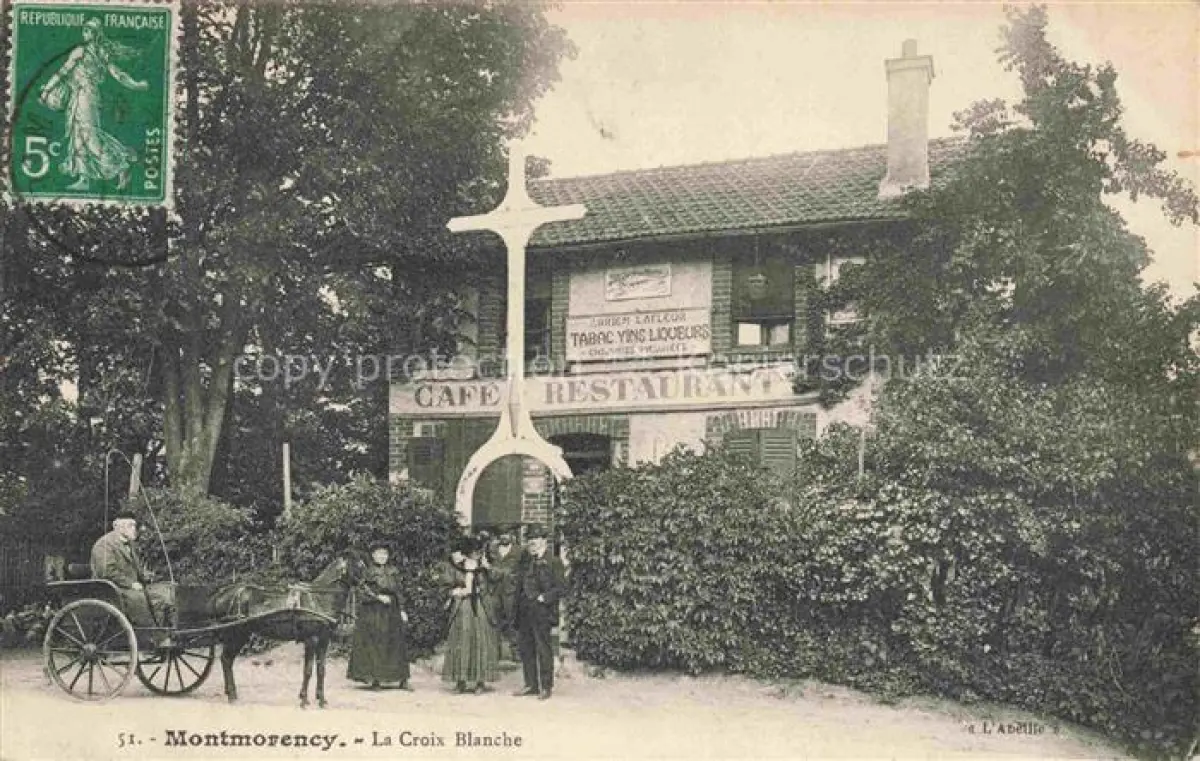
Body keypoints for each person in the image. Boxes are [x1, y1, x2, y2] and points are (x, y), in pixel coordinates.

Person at [38, 17, 148, 191]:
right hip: (81, 96)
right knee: (78, 135)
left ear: (96, 33)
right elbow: (63, 73)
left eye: (89, 30)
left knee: (90, 138)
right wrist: (47, 90)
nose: (85, 33)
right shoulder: (91, 52)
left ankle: (121, 165)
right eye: (84, 30)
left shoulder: (86, 52)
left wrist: (135, 85)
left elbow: (117, 74)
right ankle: (84, 178)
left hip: (86, 97)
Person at [90, 510, 176, 636]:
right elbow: (106, 572)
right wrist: (131, 584)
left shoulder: (130, 544)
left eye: (134, 525)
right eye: (130, 525)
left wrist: (147, 576)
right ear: (117, 526)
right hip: (113, 590)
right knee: (138, 597)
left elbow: (135, 568)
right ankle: (150, 635)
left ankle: (168, 631)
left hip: (132, 587)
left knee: (166, 592)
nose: (134, 529)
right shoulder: (104, 545)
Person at [347, 541, 411, 690]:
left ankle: (402, 679)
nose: (382, 556)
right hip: (373, 612)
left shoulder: (393, 571)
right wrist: (377, 597)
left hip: (392, 611)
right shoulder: (367, 572)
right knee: (376, 644)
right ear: (373, 555)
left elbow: (399, 592)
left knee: (397, 644)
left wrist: (402, 610)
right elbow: (361, 591)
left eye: (385, 554)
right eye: (379, 554)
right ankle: (376, 679)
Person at [512, 524, 566, 700]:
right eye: (529, 540)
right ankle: (531, 685)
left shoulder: (554, 561)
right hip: (524, 610)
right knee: (526, 648)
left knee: (543, 648)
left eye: (534, 540)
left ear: (543, 540)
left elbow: (561, 588)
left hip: (542, 611)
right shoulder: (526, 561)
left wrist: (544, 598)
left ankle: (546, 686)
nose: (531, 543)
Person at [441, 536, 500, 694]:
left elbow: (497, 578)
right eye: (474, 552)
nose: (477, 554)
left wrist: (488, 568)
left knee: (480, 642)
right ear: (467, 553)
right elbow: (445, 587)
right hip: (462, 607)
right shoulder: (456, 567)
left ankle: (480, 682)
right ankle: (460, 681)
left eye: (478, 552)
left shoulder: (483, 567)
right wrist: (457, 591)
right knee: (461, 642)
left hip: (480, 607)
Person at [487, 525, 526, 662]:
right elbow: (487, 567)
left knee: (512, 621)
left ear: (511, 535)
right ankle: (495, 652)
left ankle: (516, 652)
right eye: (501, 534)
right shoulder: (492, 550)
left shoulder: (519, 551)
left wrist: (512, 578)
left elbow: (523, 571)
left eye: (506, 533)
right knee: (494, 620)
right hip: (494, 589)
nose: (504, 536)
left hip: (511, 591)